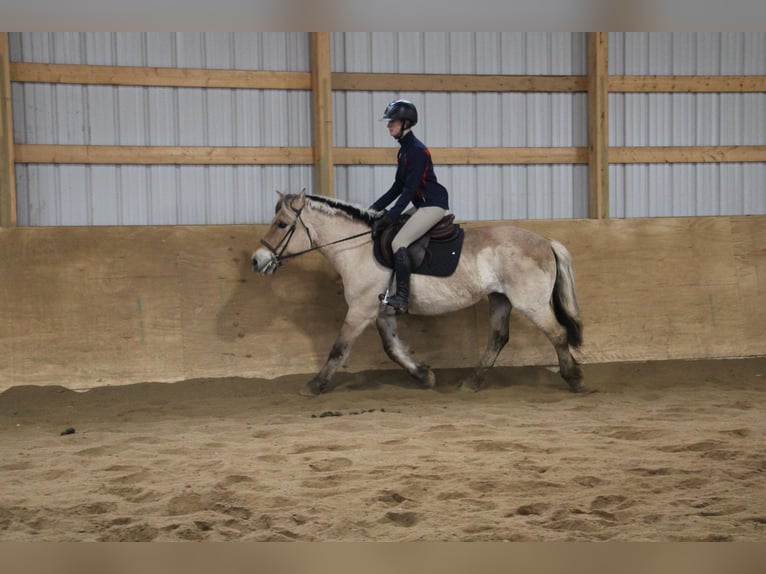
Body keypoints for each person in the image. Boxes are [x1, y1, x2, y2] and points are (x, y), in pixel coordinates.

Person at [370, 99, 449, 313]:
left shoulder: (417, 151)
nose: (389, 126)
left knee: (399, 242)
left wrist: (392, 215)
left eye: (393, 122)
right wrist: (374, 208)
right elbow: (398, 186)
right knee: (392, 230)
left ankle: (402, 298)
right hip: (421, 203)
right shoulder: (404, 150)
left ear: (406, 123)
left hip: (432, 204)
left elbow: (410, 189)